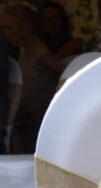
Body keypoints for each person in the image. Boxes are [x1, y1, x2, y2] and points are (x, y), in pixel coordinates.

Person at [0, 4, 58, 153]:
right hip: (20, 127)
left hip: (37, 131)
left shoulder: (41, 56)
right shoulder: (21, 54)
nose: (4, 34)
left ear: (25, 27)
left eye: (8, 29)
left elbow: (68, 75)